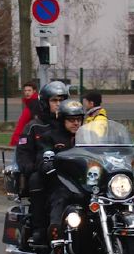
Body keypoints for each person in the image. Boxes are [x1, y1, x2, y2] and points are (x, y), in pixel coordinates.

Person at [16, 80, 69, 243]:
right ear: (45, 103)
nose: (58, 104)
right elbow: (23, 154)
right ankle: (39, 228)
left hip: (69, 173)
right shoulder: (33, 127)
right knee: (35, 179)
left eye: (62, 100)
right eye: (54, 100)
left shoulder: (71, 124)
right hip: (44, 172)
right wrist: (33, 168)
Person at [40, 98, 85, 242]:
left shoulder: (89, 138)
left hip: (86, 184)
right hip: (61, 182)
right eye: (71, 120)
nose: (76, 123)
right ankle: (56, 236)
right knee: (60, 197)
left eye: (79, 119)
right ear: (62, 120)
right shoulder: (50, 137)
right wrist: (48, 163)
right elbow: (42, 157)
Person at [10, 81, 41, 147]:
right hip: (27, 138)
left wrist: (16, 141)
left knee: (20, 150)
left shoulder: (33, 105)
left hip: (27, 138)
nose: (27, 93)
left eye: (29, 90)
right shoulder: (31, 104)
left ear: (34, 91)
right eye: (25, 91)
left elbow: (23, 124)